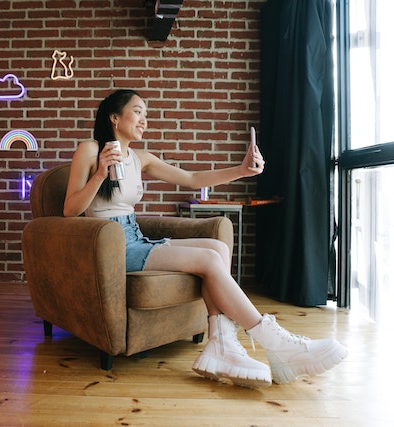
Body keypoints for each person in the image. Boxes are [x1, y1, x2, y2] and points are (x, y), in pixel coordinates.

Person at [63, 89, 347, 388]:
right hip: (109, 245)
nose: (144, 120)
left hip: (134, 236)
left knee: (217, 247)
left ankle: (221, 344)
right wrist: (99, 175)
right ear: (114, 117)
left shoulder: (141, 158)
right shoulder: (89, 150)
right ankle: (276, 342)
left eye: (146, 113)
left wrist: (241, 170)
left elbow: (193, 179)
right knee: (210, 258)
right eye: (138, 111)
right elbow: (70, 210)